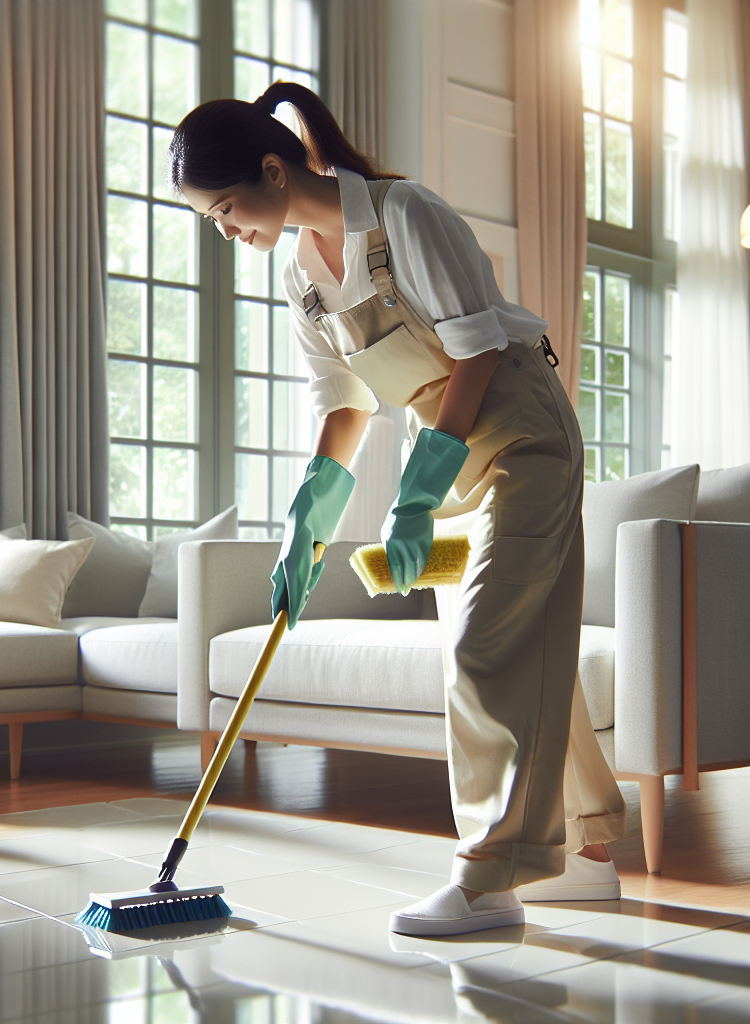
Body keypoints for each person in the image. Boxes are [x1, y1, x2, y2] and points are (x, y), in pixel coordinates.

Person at [169, 81, 627, 937]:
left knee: (485, 647)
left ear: (274, 170)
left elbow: (481, 350)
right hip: (452, 462)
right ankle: (593, 849)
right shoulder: (300, 274)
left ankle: (488, 879)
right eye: (214, 221)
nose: (227, 232)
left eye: (227, 209)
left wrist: (415, 495)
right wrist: (309, 520)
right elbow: (345, 403)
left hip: (521, 437)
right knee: (517, 644)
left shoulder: (403, 214)